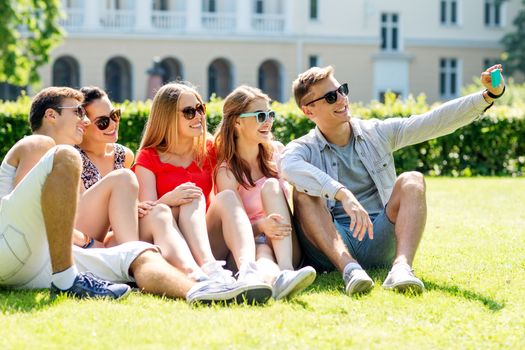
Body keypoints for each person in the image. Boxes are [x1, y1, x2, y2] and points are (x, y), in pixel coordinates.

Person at [0, 86, 266, 305]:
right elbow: (36, 213)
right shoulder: (40, 144)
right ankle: (120, 264)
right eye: (78, 112)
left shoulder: (109, 155)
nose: (84, 120)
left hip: (37, 261)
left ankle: (201, 282)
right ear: (51, 115)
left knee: (140, 252)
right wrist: (92, 242)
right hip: (22, 243)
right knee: (123, 181)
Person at [281, 65, 505, 295]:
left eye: (342, 90)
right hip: (332, 246)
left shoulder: (376, 132)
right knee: (303, 193)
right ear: (308, 111)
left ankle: (401, 269)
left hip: (379, 236)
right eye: (331, 97)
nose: (342, 99)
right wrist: (341, 192)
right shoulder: (304, 148)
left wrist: (488, 96)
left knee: (412, 179)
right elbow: (286, 166)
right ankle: (349, 270)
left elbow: (432, 122)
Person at [134, 82, 273, 303]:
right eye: (189, 112)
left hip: (205, 239)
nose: (198, 116)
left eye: (201, 109)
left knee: (225, 196)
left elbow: (248, 148)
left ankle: (248, 270)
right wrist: (169, 199)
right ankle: (208, 271)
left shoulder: (210, 150)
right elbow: (147, 212)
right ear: (167, 117)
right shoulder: (148, 157)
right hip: (169, 245)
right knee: (189, 197)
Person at [77, 86, 220, 285]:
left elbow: (137, 208)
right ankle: (139, 263)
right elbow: (72, 217)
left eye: (114, 115)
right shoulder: (72, 158)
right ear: (83, 125)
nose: (112, 124)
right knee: (146, 197)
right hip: (96, 239)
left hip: (129, 234)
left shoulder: (123, 155)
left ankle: (196, 273)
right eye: (102, 122)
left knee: (165, 209)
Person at [214, 85, 316, 299]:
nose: (268, 121)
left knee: (271, 186)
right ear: (237, 122)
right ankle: (274, 283)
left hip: (287, 243)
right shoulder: (227, 171)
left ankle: (287, 270)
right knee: (263, 254)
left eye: (270, 114)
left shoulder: (277, 152)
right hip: (248, 246)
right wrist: (262, 226)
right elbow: (234, 227)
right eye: (260, 115)